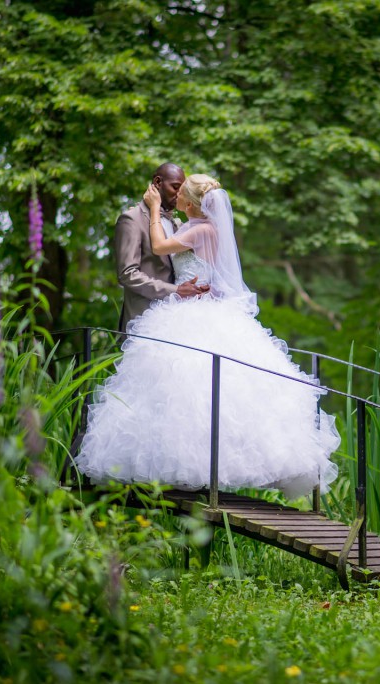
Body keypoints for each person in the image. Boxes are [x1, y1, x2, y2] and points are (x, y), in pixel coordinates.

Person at [76, 174, 340, 498]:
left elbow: (159, 246)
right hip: (193, 305)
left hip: (195, 310)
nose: (179, 197)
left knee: (197, 388)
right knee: (184, 392)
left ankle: (203, 471)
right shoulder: (196, 227)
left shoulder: (203, 229)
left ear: (190, 201)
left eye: (182, 193)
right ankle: (188, 469)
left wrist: (155, 209)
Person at [114, 162, 209, 332]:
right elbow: (127, 274)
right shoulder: (132, 219)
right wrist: (175, 290)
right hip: (143, 319)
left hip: (176, 320)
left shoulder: (177, 222)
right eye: (175, 187)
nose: (180, 194)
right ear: (158, 183)